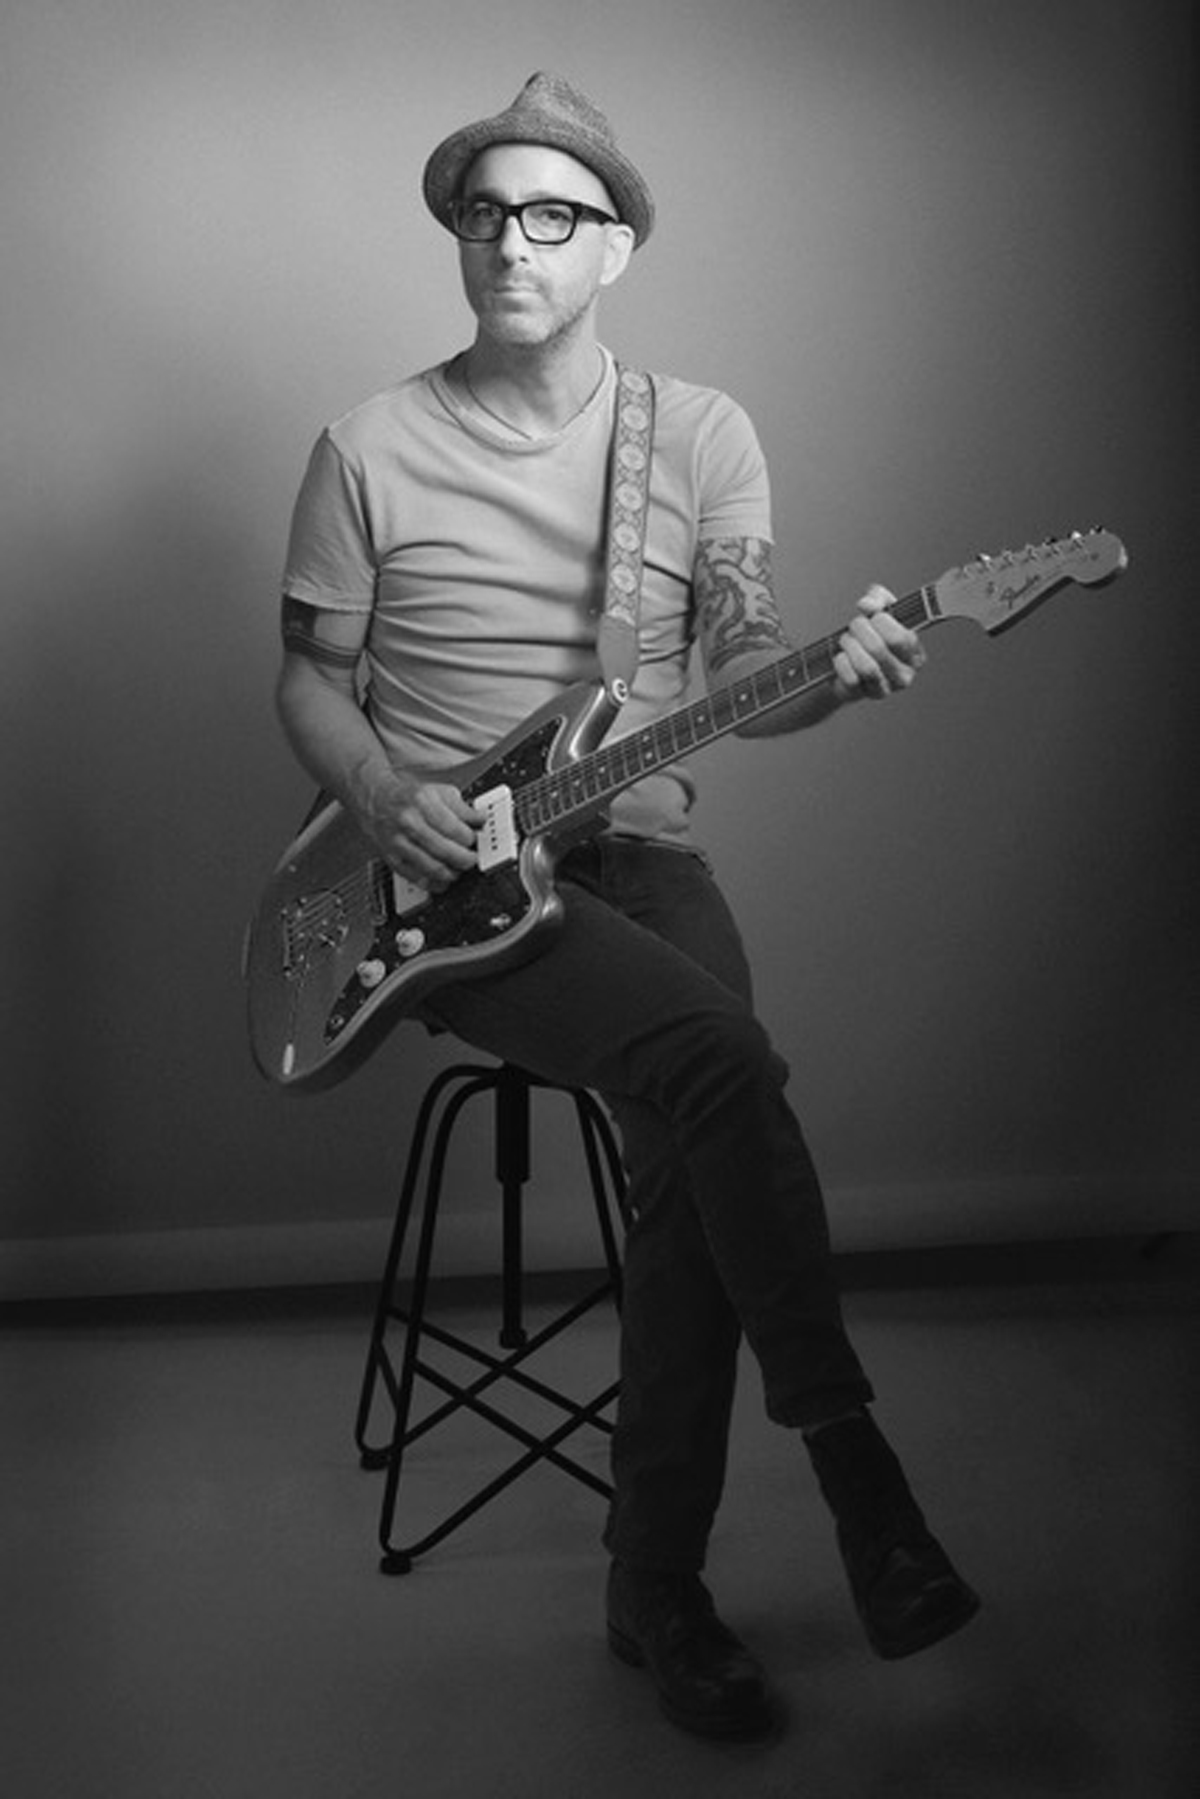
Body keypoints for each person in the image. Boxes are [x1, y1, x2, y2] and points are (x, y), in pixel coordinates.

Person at [275, 72, 979, 1742]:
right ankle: (855, 1479)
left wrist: (840, 676)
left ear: (615, 248)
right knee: (725, 1069)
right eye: (484, 214)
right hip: (446, 889)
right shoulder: (365, 449)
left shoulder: (702, 436)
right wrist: (381, 792)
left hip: (637, 857)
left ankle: (653, 1583)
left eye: (552, 215)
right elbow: (305, 681)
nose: (511, 242)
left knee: (700, 1137)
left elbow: (747, 669)